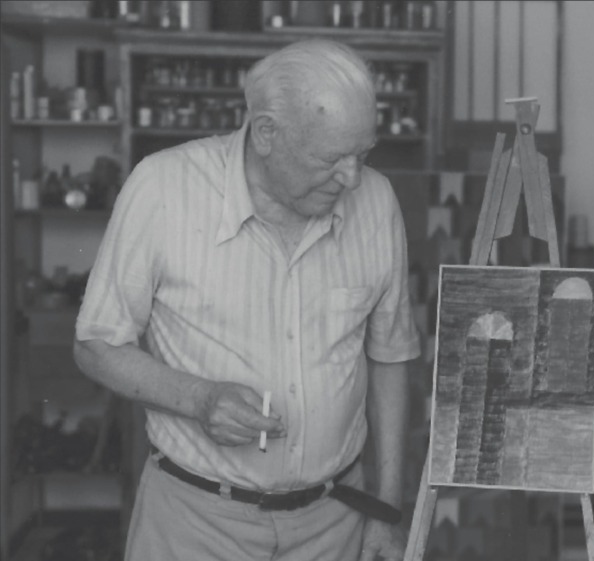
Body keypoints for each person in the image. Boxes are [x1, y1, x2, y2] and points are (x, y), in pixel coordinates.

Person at [73, 39, 421, 561]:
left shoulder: (376, 202)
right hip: (194, 522)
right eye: (331, 159)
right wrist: (199, 399)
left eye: (362, 154)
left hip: (336, 521)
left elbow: (390, 354)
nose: (352, 178)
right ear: (266, 133)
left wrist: (387, 508)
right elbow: (97, 343)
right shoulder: (163, 188)